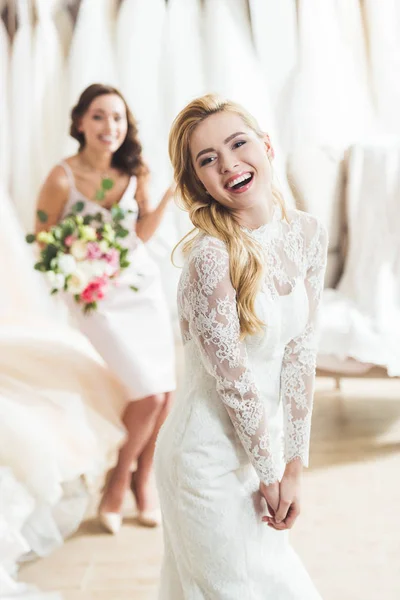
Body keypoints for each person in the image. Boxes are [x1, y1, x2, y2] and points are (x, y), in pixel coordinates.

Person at [154, 94, 328, 598]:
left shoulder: (307, 234)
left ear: (266, 145)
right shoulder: (210, 258)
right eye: (208, 160)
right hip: (203, 460)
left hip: (262, 454)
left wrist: (295, 467)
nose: (228, 164)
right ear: (199, 183)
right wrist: (272, 475)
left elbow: (301, 354)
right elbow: (235, 384)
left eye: (238, 144)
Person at [36, 83, 176, 534]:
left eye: (117, 118)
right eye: (99, 116)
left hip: (141, 287)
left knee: (167, 395)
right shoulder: (62, 177)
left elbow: (142, 233)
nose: (109, 127)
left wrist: (170, 196)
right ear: (80, 122)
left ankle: (143, 484)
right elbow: (41, 243)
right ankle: (118, 483)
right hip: (94, 297)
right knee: (148, 394)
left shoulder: (137, 172)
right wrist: (79, 267)